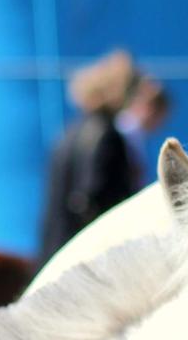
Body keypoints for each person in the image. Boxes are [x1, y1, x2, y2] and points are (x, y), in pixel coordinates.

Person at [37, 51, 170, 266]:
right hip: (81, 259)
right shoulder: (106, 135)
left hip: (55, 251)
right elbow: (97, 198)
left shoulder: (71, 132)